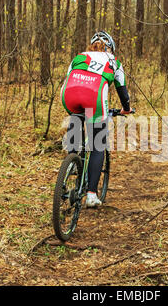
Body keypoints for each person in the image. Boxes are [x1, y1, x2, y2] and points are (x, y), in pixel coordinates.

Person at [61, 31, 133, 207]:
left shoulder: (80, 57)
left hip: (68, 95)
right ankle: (91, 195)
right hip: (95, 97)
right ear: (111, 48)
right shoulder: (113, 61)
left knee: (76, 119)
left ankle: (71, 162)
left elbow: (70, 78)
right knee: (97, 144)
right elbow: (123, 91)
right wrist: (126, 109)